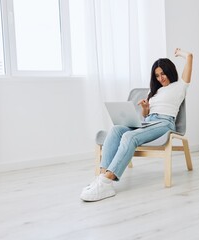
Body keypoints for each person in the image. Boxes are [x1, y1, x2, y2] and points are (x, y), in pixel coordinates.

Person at [80, 48, 193, 202]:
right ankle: (102, 177)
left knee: (129, 136)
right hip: (148, 122)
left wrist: (181, 53)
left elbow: (190, 58)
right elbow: (146, 116)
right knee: (116, 129)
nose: (160, 78)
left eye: (163, 73)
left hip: (165, 123)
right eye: (157, 75)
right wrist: (146, 109)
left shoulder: (180, 86)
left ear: (170, 71)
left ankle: (107, 181)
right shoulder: (155, 92)